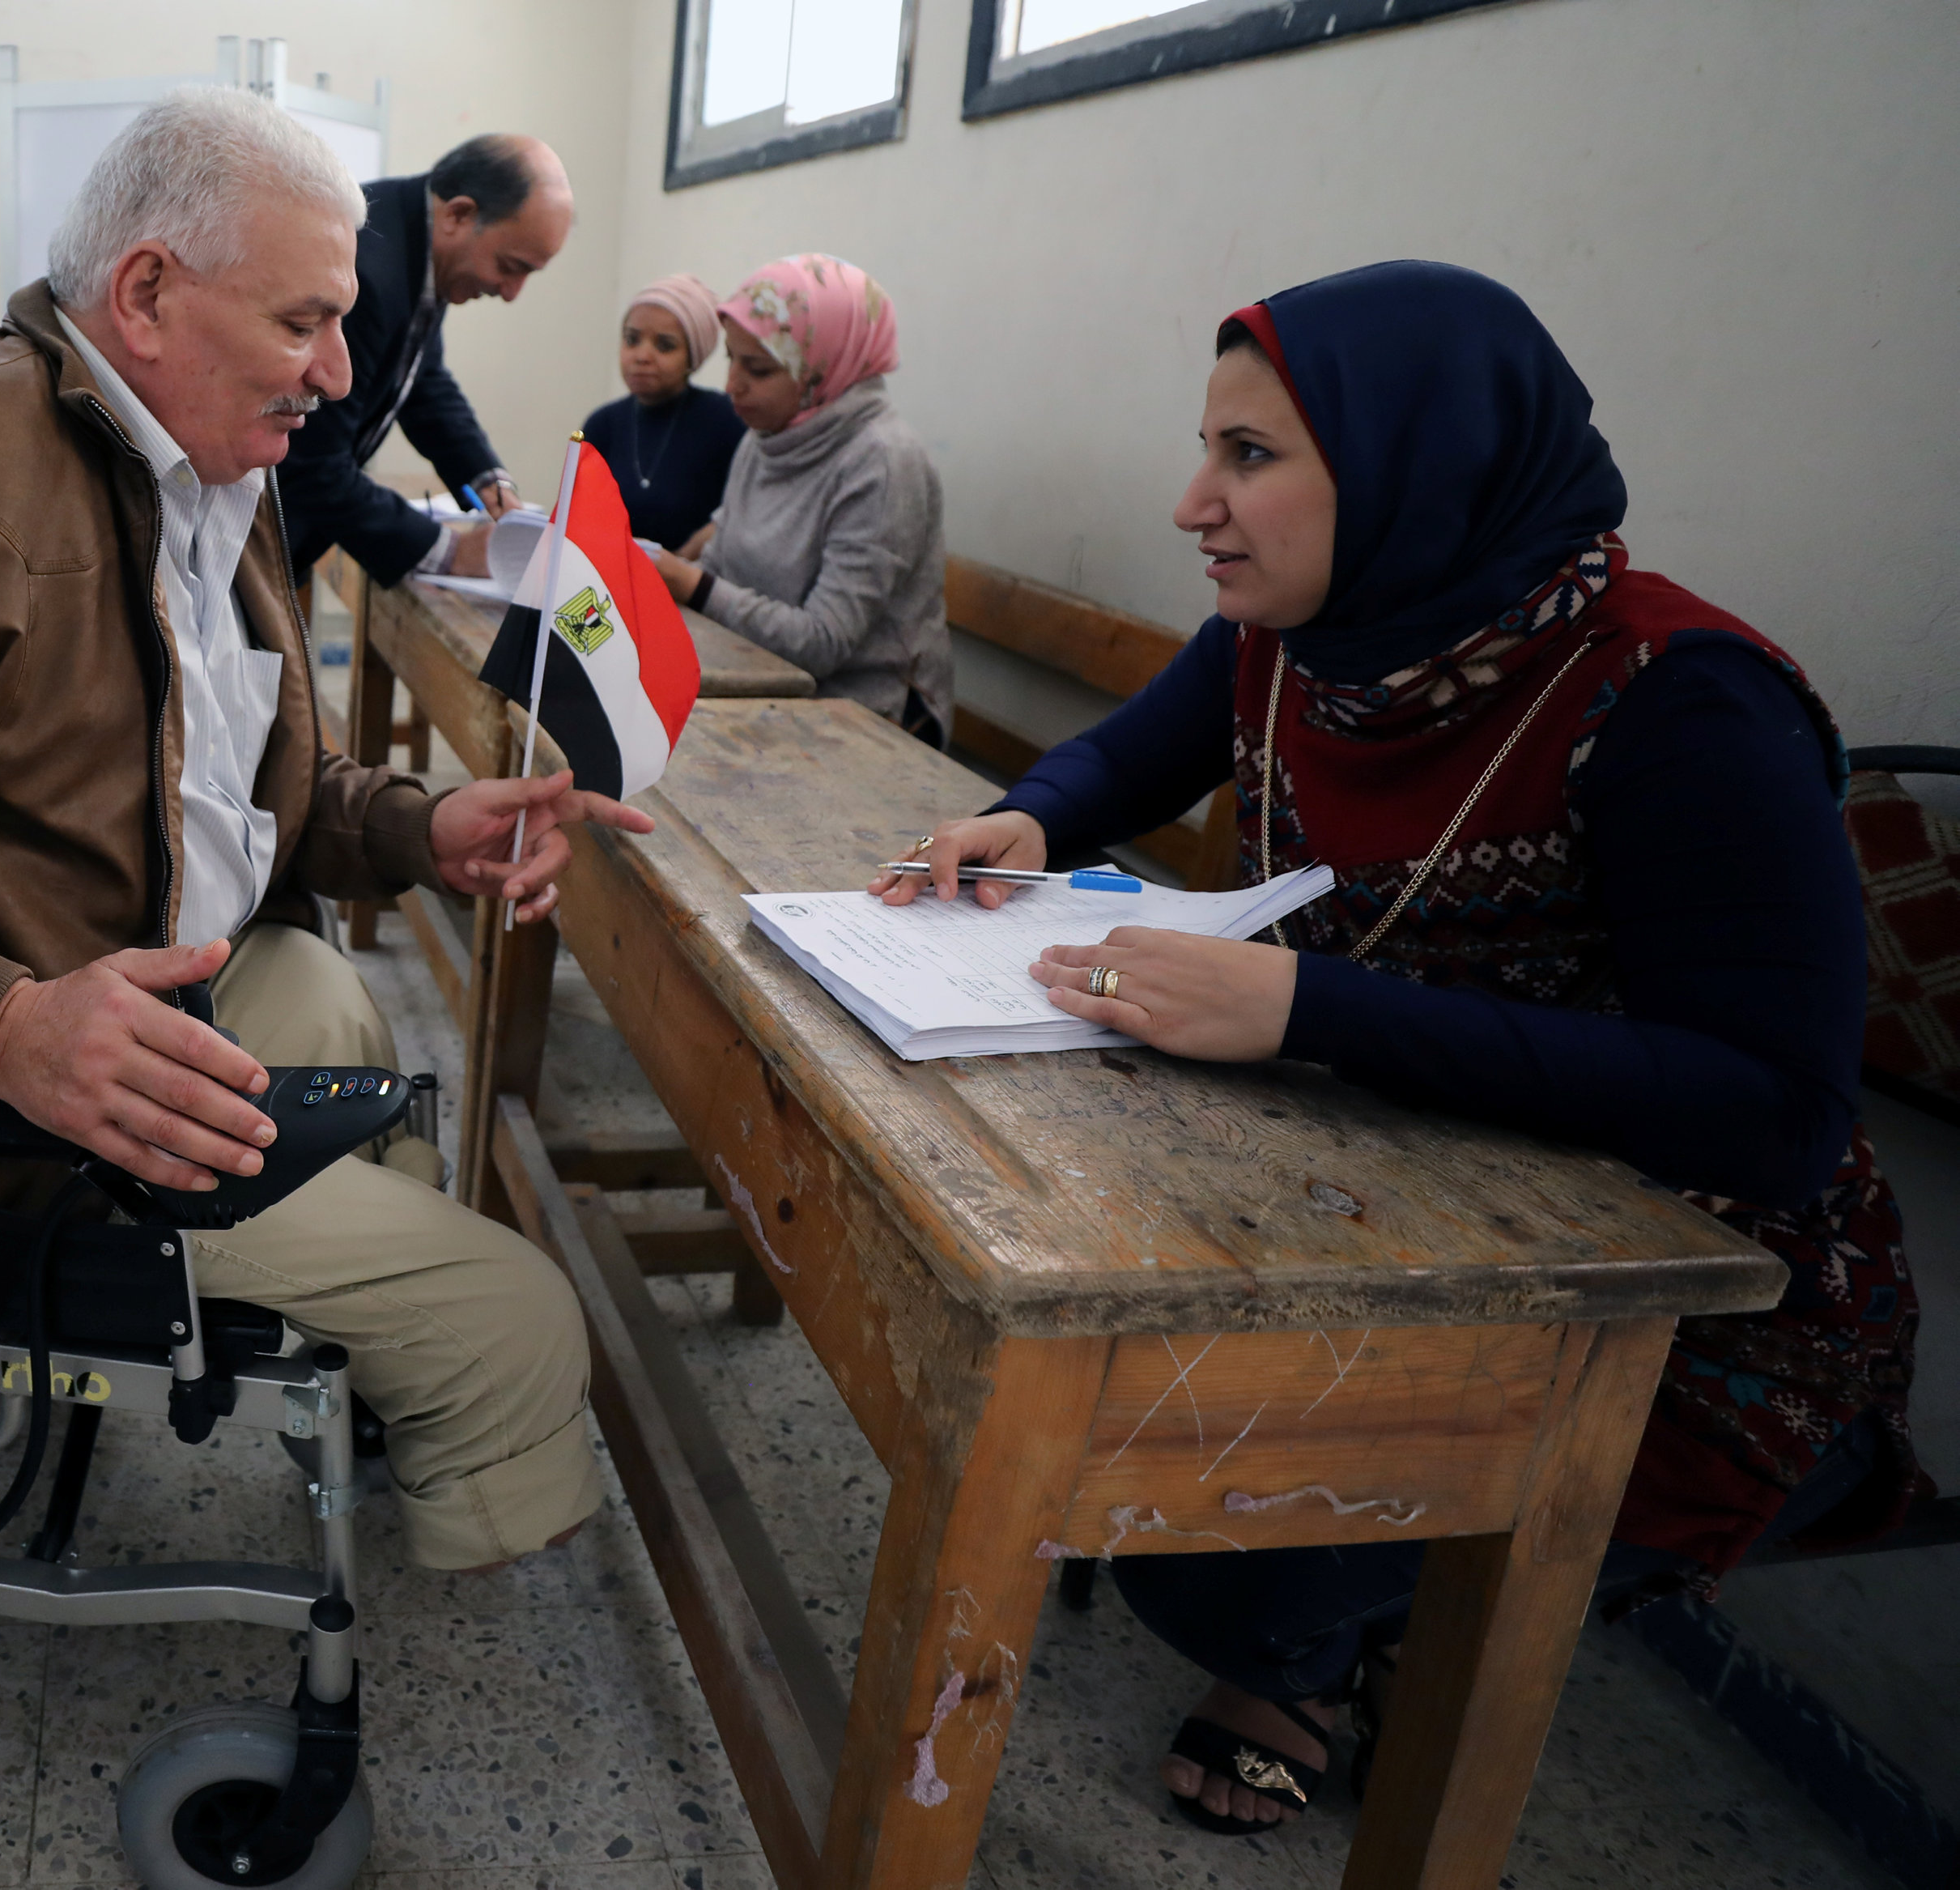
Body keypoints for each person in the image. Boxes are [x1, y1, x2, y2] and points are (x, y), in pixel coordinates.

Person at [874, 261, 1922, 1832]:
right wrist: (1029, 812)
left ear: (1415, 462)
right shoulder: (1313, 625)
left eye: (1248, 457)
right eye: (1207, 450)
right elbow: (1135, 747)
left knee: (1192, 1531)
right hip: (1387, 1175)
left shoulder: (1678, 705)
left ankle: (1308, 1652)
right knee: (1081, 1415)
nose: (1190, 504)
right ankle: (1323, 1624)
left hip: (1685, 1310)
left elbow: (1770, 1116)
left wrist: (1309, 1010)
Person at [0, 88, 655, 1575]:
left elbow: (219, 775)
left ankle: (344, 1346)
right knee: (519, 1319)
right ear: (146, 293)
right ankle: (451, 1588)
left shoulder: (212, 460)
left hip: (128, 974)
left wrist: (418, 824)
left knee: (339, 1004)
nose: (339, 375)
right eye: (305, 322)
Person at [646, 254, 950, 743]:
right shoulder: (767, 435)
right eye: (731, 359)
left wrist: (693, 585)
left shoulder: (884, 463)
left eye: (759, 369)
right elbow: (723, 558)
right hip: (757, 675)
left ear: (824, 369)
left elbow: (823, 643)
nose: (732, 387)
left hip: (863, 719)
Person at [278, 133, 575, 587]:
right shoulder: (372, 272)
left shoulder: (413, 244)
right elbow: (312, 464)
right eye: (511, 266)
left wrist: (488, 482)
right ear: (459, 214)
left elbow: (423, 381)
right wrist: (450, 551)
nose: (511, 293)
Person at [579, 274, 746, 553]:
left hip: (693, 587)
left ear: (692, 358)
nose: (642, 356)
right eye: (632, 340)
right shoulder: (602, 424)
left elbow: (738, 515)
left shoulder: (725, 421)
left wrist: (678, 570)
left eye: (664, 345)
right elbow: (581, 518)